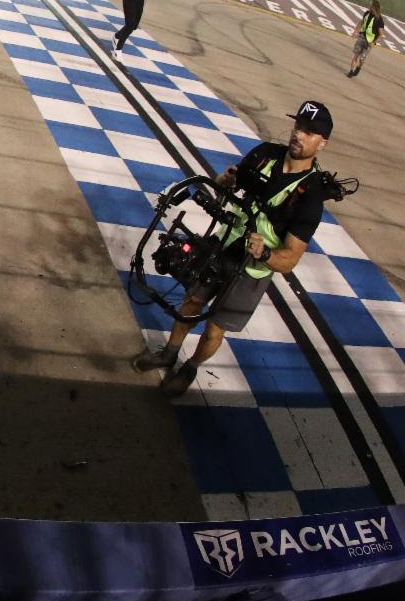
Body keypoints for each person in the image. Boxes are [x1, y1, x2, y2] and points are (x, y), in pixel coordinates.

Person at [131, 100, 333, 397]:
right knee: (190, 302)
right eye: (299, 127)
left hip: (251, 270)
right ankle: (169, 353)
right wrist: (223, 181)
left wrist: (264, 253)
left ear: (322, 144)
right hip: (223, 244)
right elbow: (223, 186)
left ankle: (190, 367)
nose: (299, 135)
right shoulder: (265, 154)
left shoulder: (312, 195)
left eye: (310, 132)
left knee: (215, 327)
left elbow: (290, 259)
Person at [347, 0, 383, 77]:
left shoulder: (379, 19)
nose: (369, 6)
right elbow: (362, 22)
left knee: (362, 59)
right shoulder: (367, 13)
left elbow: (381, 34)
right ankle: (351, 71)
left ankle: (358, 68)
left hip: (370, 41)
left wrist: (374, 42)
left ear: (374, 7)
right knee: (356, 55)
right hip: (362, 37)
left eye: (371, 5)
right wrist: (356, 31)